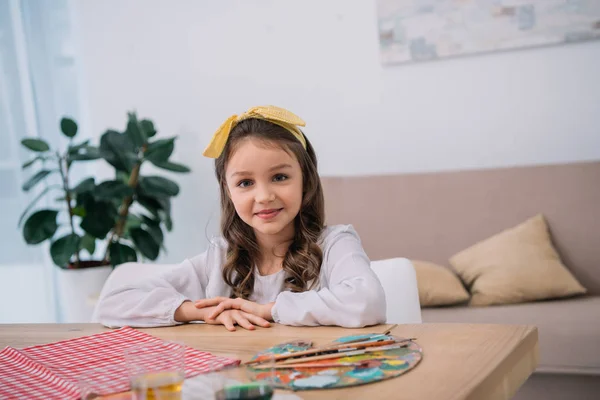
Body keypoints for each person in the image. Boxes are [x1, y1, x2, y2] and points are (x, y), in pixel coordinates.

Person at [94, 105, 386, 331]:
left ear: (306, 180)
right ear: (228, 191)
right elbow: (112, 304)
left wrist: (269, 310)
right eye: (245, 183)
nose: (264, 196)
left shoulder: (335, 244)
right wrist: (201, 311)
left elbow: (368, 302)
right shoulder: (220, 258)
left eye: (280, 177)